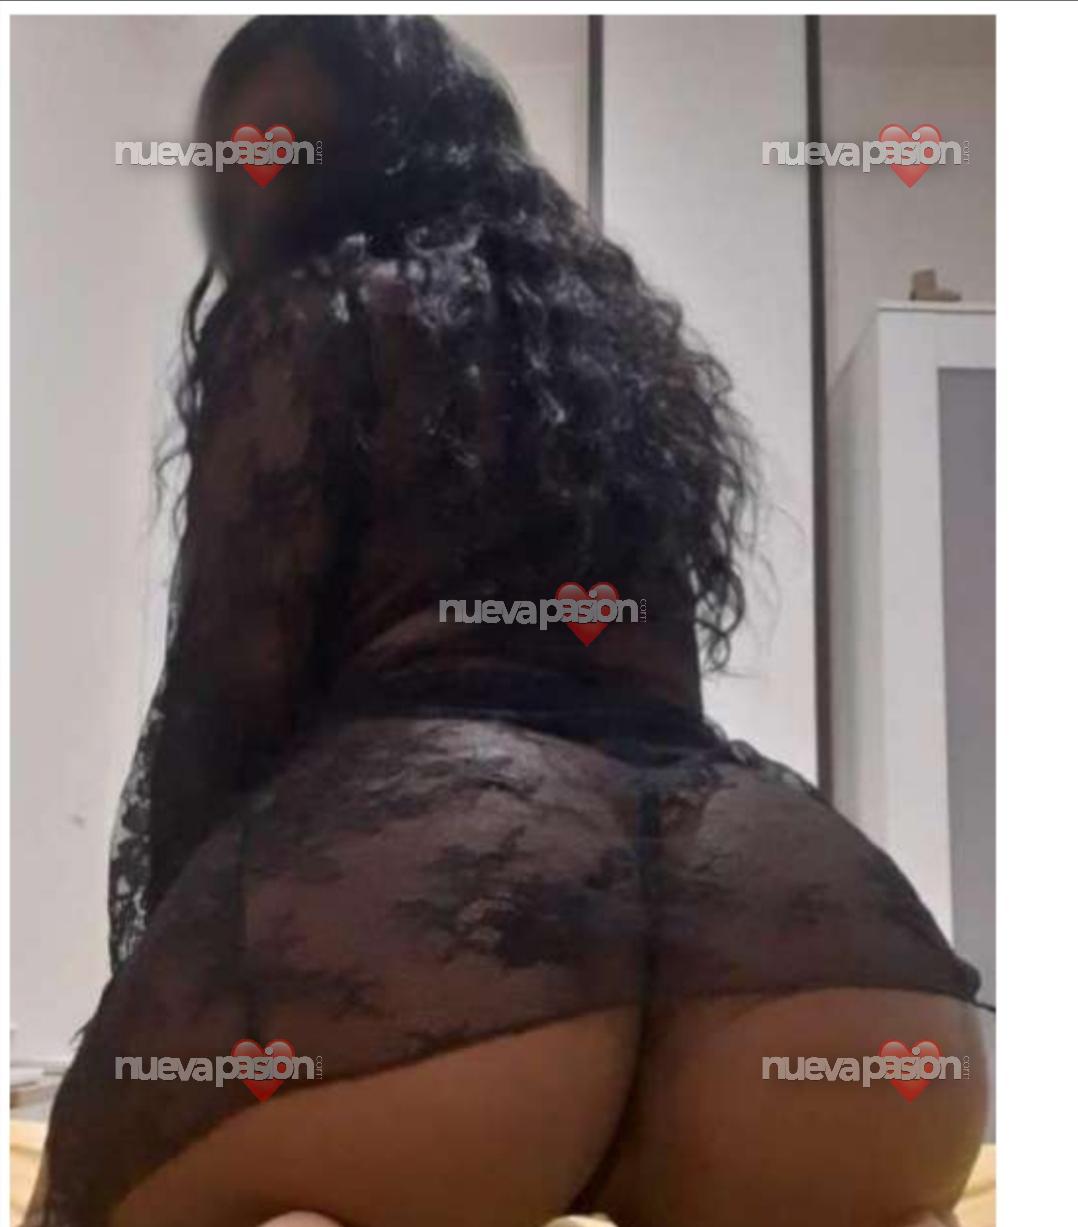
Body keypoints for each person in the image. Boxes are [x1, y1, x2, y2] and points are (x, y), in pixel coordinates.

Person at [29, 16, 989, 1227]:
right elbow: (651, 692)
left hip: (440, 988)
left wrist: (181, 979)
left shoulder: (311, 319)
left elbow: (225, 702)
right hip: (817, 975)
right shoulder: (612, 360)